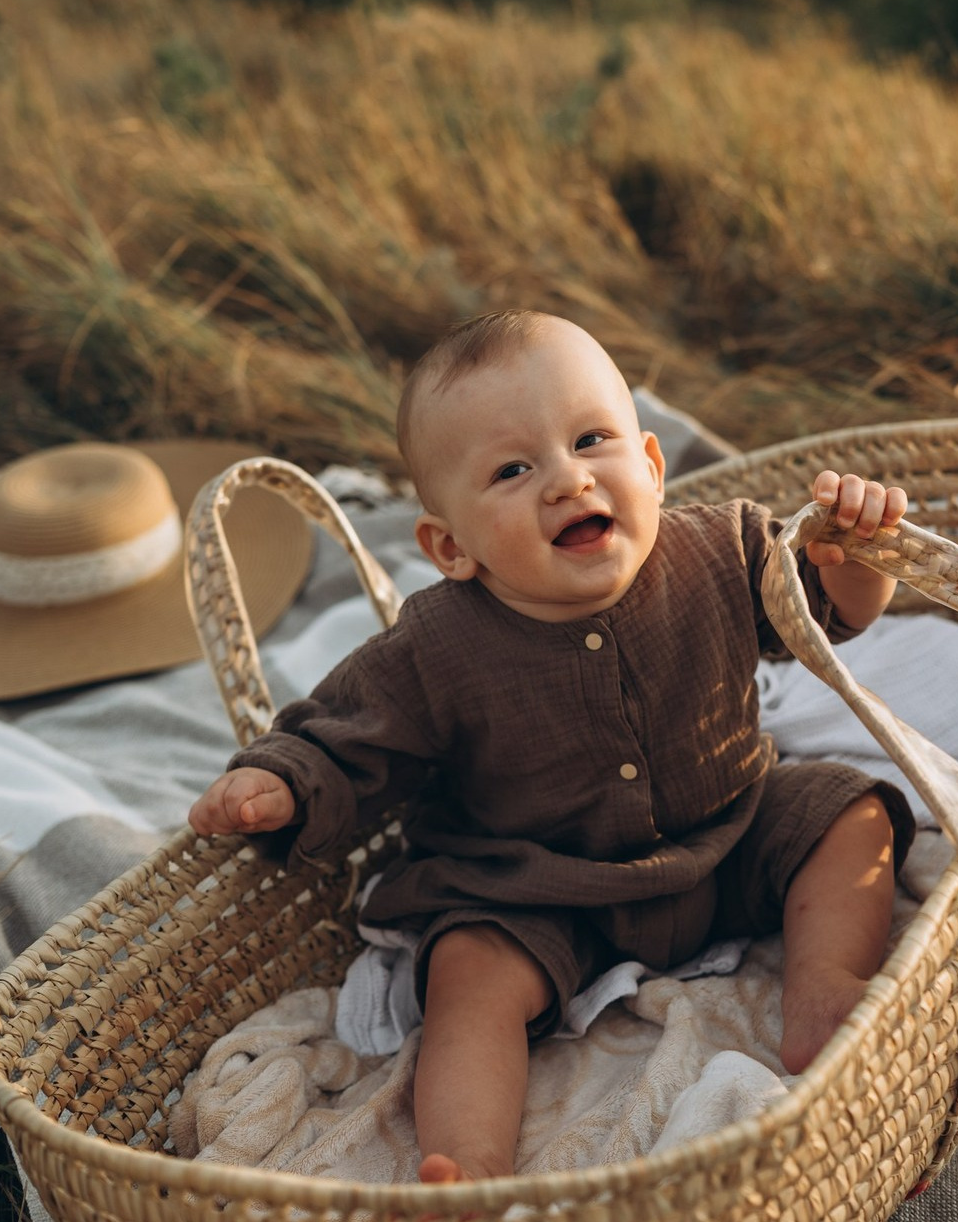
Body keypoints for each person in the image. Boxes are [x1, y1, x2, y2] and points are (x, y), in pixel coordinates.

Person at [188, 310, 915, 1186]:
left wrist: (855, 556)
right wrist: (281, 782)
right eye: (512, 469)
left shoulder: (726, 550)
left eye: (590, 440)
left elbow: (832, 613)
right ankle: (465, 1169)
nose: (567, 481)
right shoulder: (435, 648)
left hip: (727, 836)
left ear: (649, 465)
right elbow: (345, 737)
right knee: (466, 970)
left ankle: (827, 996)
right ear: (449, 546)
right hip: (536, 887)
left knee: (851, 811)